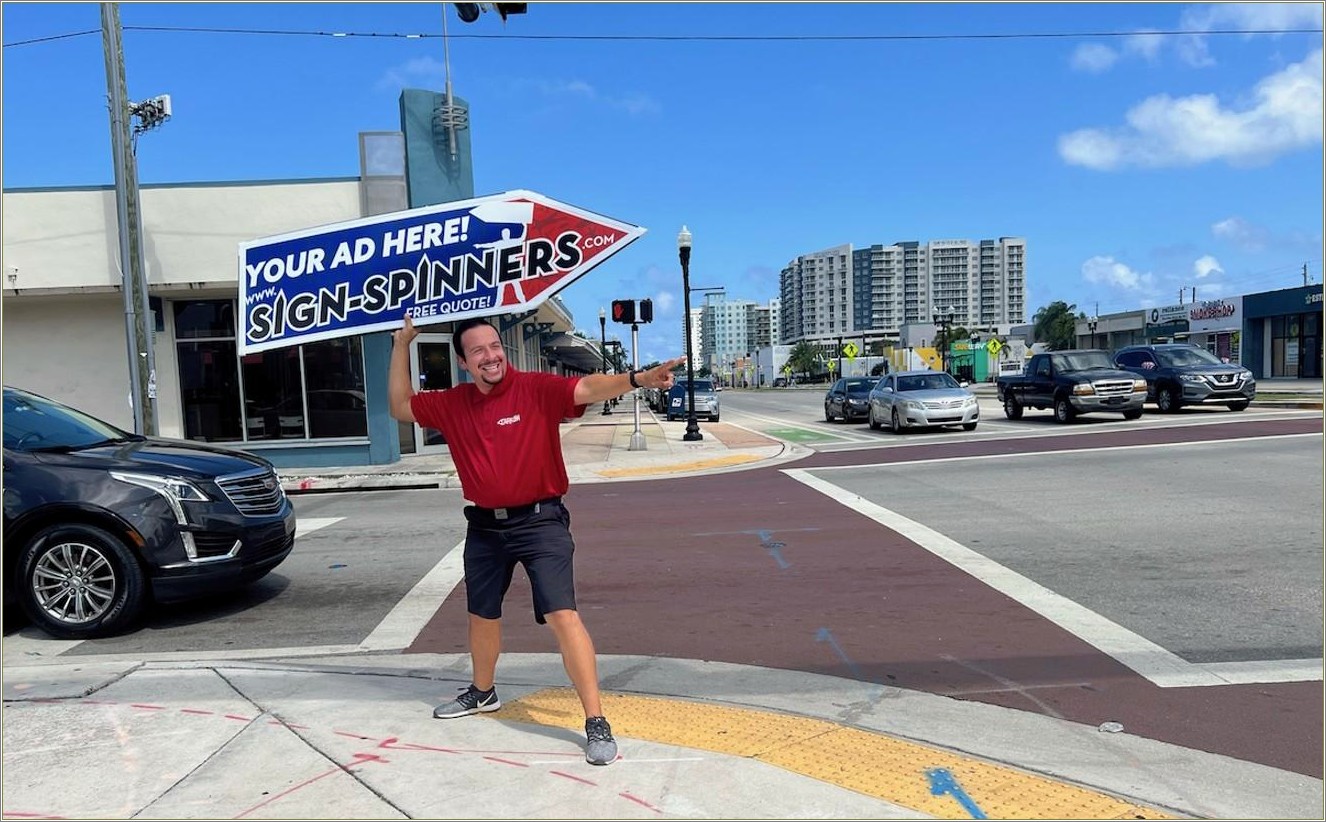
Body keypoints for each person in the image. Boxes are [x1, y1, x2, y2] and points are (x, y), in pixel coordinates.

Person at [389, 313, 685, 766]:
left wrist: (638, 378)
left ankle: (595, 720)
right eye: (479, 351)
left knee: (563, 614)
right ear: (465, 363)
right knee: (481, 614)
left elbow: (588, 388)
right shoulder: (453, 403)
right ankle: (483, 692)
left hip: (541, 521)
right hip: (485, 527)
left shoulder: (535, 388)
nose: (491, 356)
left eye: (495, 346)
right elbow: (400, 407)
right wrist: (401, 345)